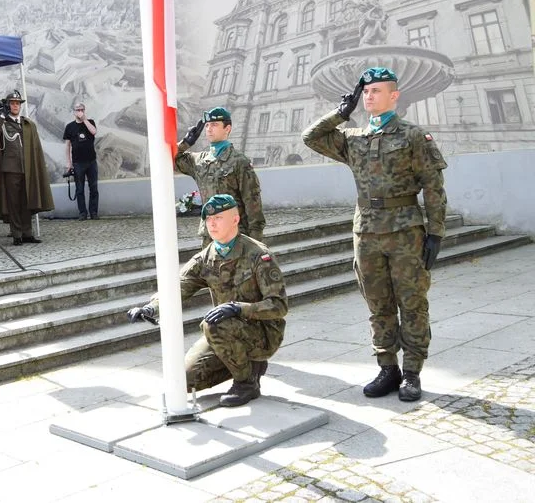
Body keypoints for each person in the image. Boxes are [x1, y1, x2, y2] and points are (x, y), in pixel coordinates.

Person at [302, 67, 447, 402]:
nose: (369, 96)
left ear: (394, 96)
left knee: (412, 302)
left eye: (376, 91)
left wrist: (436, 232)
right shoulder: (353, 138)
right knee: (378, 304)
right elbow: (310, 138)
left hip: (405, 230)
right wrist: (341, 113)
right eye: (365, 92)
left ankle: (411, 372)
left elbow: (434, 187)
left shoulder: (413, 136)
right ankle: (387, 367)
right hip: (366, 231)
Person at [127, 194, 287, 407]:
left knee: (212, 324)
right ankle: (249, 365)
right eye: (208, 219)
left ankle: (246, 382)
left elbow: (279, 306)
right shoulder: (205, 258)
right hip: (226, 331)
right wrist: (151, 307)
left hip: (261, 332)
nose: (211, 223)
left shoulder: (258, 255)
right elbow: (177, 287)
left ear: (235, 220)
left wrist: (238, 309)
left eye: (218, 218)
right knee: (183, 380)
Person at [175, 107, 265, 246]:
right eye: (207, 125)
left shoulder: (239, 161)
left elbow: (253, 204)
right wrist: (186, 142)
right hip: (210, 235)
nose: (209, 129)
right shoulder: (199, 160)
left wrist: (255, 243)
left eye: (215, 125)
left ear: (227, 128)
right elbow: (168, 160)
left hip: (234, 235)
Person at [0, 90, 54, 245]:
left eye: (17, 103)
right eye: (12, 103)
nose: (15, 106)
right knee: (13, 203)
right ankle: (17, 234)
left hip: (27, 168)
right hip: (10, 169)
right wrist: (1, 115)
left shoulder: (28, 124)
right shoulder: (3, 123)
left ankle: (28, 233)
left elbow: (35, 149)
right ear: (8, 105)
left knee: (27, 201)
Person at [63, 102, 99, 220]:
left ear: (84, 110)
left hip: (91, 161)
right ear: (74, 111)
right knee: (79, 189)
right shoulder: (69, 127)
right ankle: (82, 213)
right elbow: (67, 146)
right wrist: (68, 163)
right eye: (77, 110)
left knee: (93, 188)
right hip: (78, 163)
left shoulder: (90, 122)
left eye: (81, 109)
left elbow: (94, 132)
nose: (79, 112)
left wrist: (84, 120)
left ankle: (93, 212)